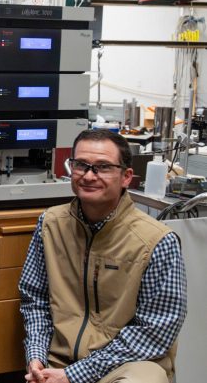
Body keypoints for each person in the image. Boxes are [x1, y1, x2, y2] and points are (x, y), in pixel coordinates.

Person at [19, 129, 187, 383]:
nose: (88, 175)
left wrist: (74, 375)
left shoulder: (157, 241)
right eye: (81, 165)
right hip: (59, 360)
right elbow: (35, 301)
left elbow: (155, 331)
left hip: (127, 365)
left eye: (103, 167)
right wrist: (36, 358)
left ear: (126, 177)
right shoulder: (51, 224)